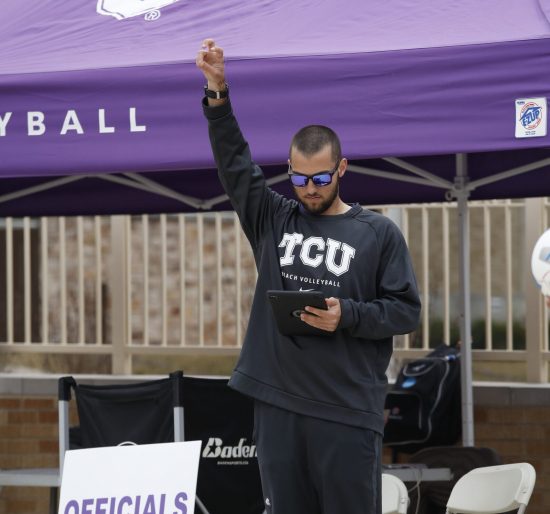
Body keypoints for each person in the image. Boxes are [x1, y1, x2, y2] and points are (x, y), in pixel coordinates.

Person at [196, 39, 421, 514]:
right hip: (278, 404)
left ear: (341, 168)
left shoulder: (377, 232)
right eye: (299, 179)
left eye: (320, 178)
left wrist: (348, 315)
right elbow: (235, 167)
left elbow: (406, 311)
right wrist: (218, 93)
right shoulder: (274, 219)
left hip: (346, 411)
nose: (309, 189)